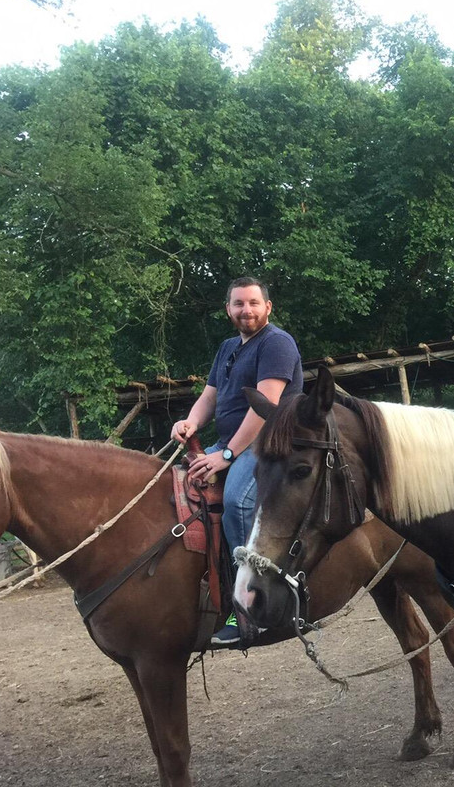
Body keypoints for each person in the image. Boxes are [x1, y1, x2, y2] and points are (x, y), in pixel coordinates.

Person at [171, 276, 303, 646]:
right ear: (227, 309)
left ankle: (252, 608)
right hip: (230, 442)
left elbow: (267, 407)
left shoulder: (277, 343)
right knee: (178, 487)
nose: (246, 310)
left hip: (270, 443)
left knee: (236, 502)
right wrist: (191, 422)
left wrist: (226, 456)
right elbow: (209, 396)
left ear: (267, 307)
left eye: (253, 303)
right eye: (239, 304)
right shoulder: (229, 347)